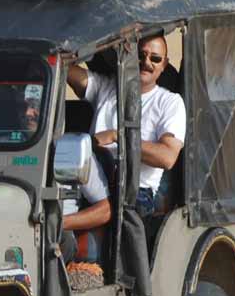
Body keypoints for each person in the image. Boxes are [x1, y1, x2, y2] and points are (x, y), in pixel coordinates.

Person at [66, 34, 185, 216]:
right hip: (88, 174)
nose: (146, 62)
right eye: (140, 55)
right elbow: (66, 70)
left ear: (164, 65)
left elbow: (167, 157)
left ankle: (62, 228)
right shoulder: (106, 87)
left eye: (155, 58)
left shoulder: (169, 102)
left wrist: (118, 137)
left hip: (135, 189)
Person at [59, 140, 112, 265]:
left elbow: (105, 210)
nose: (31, 118)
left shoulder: (74, 150)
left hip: (58, 233)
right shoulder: (5, 144)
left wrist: (58, 224)